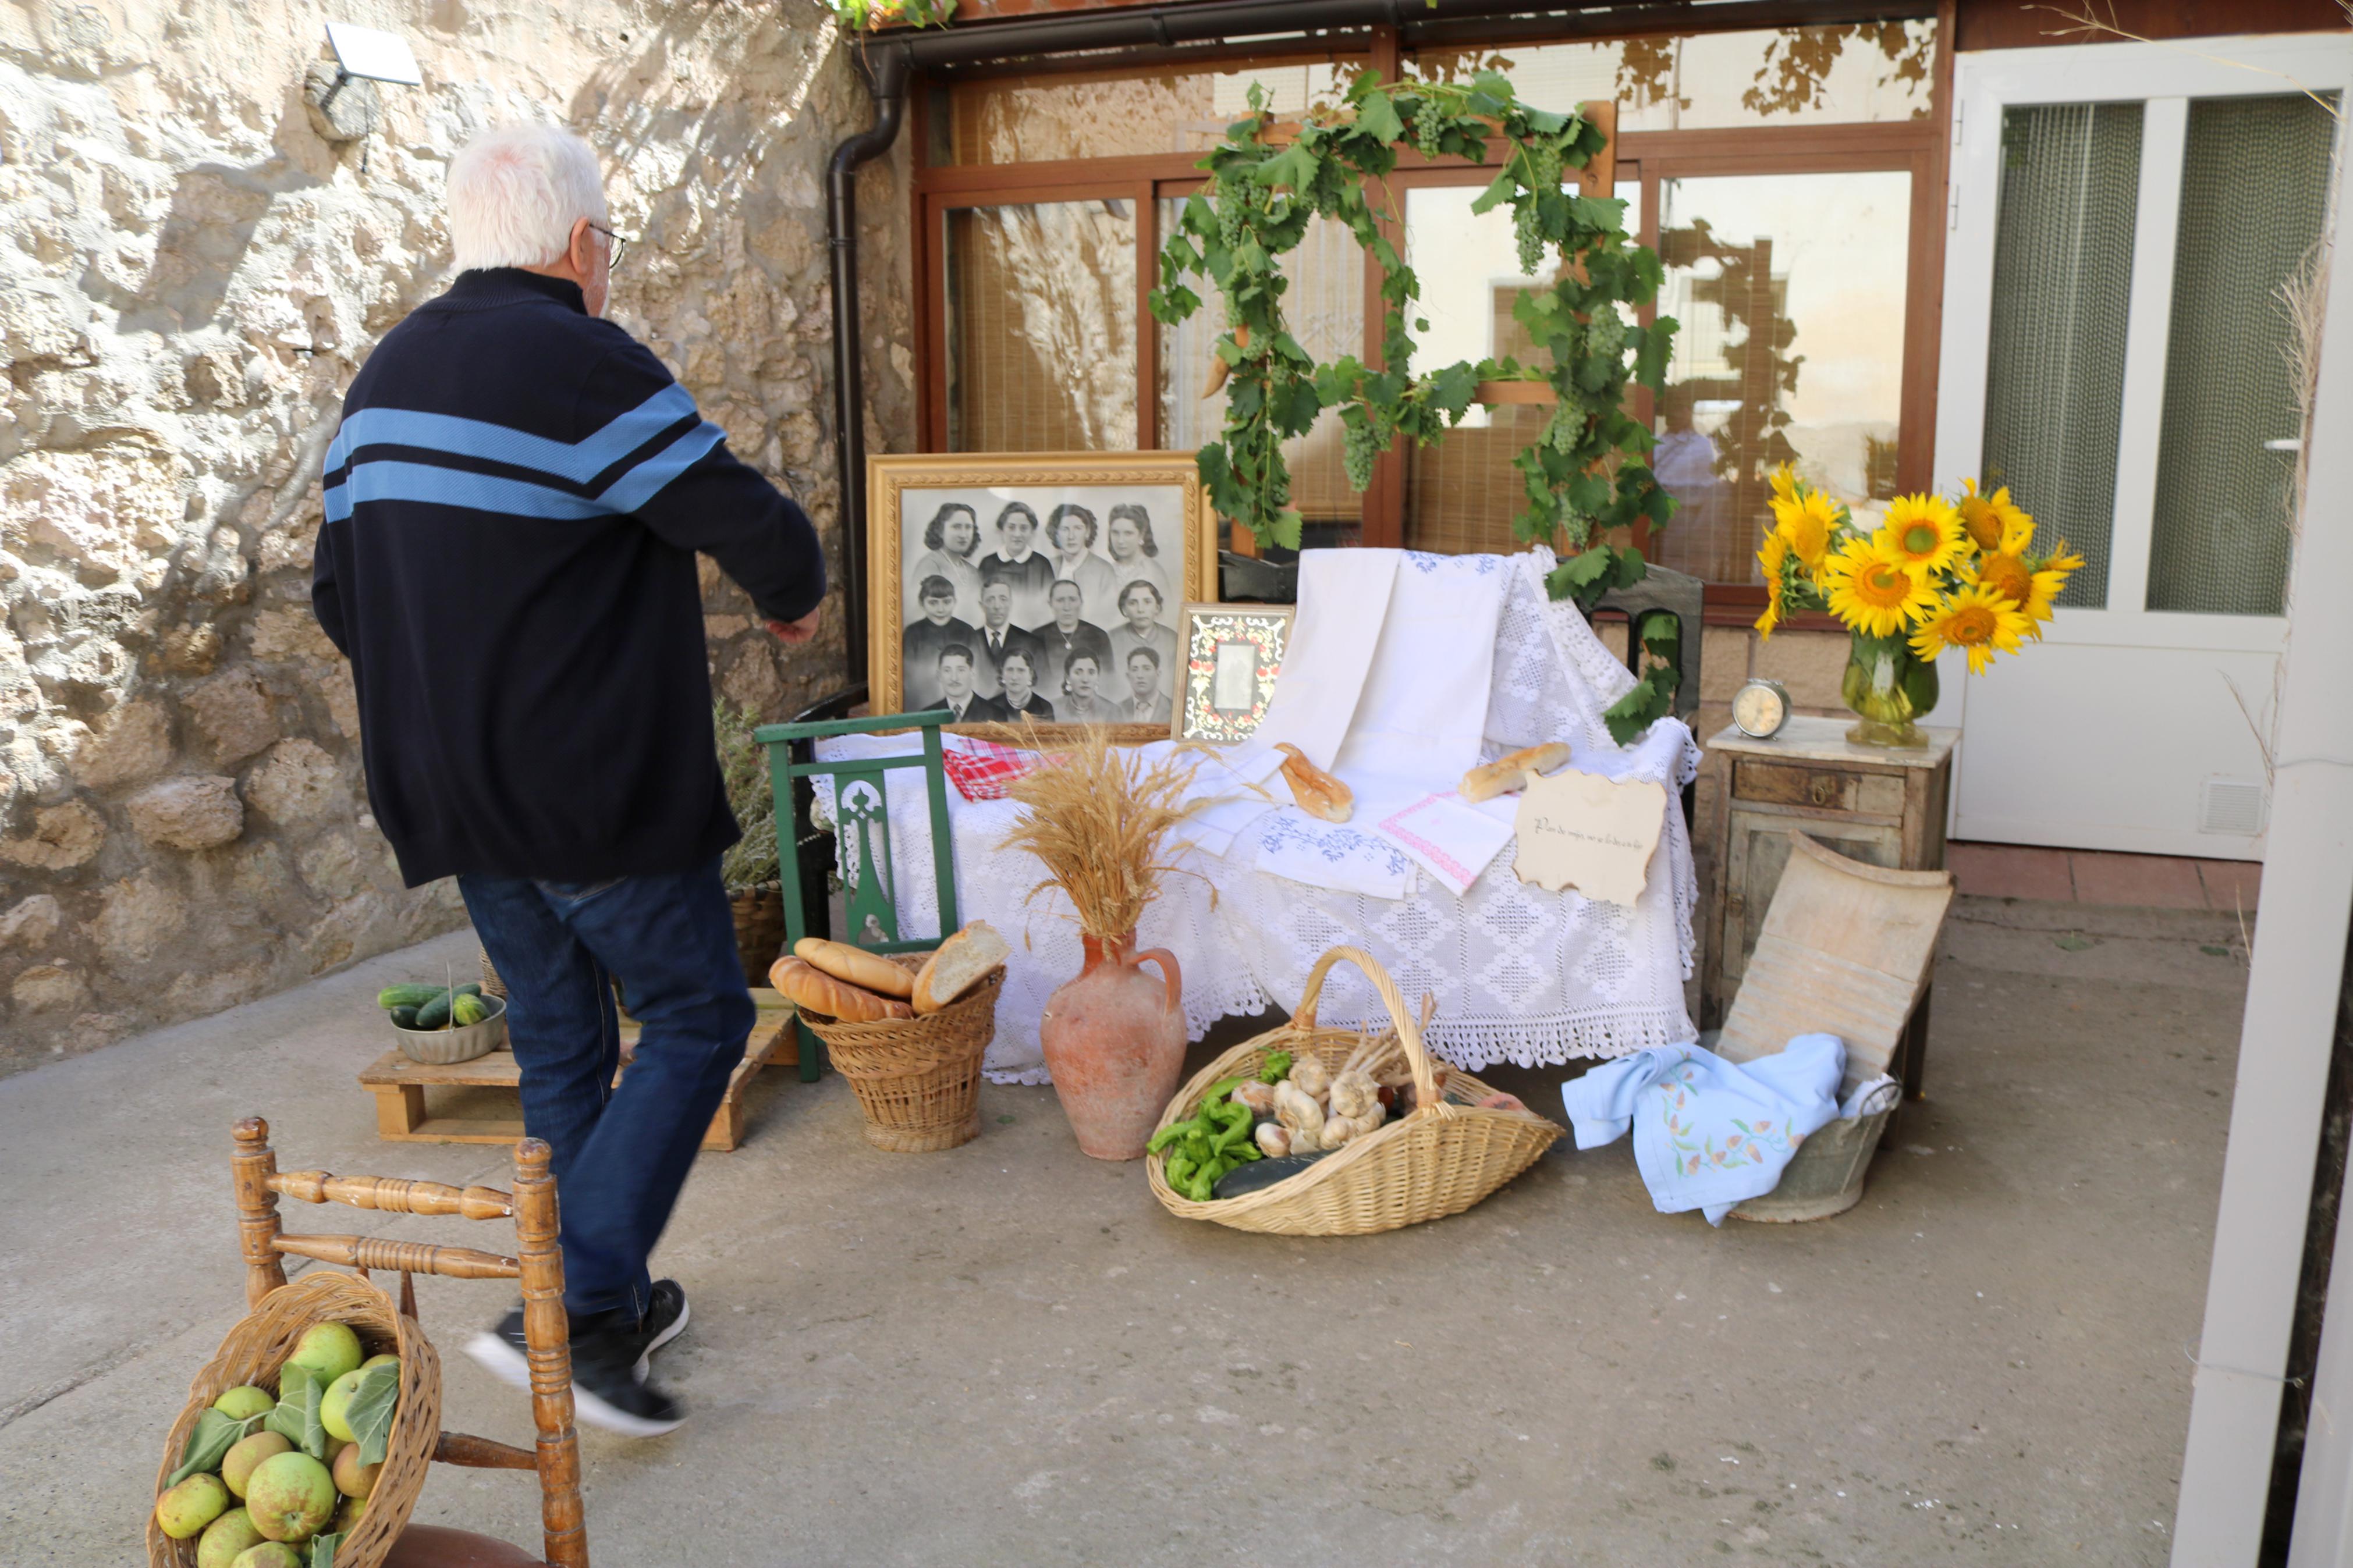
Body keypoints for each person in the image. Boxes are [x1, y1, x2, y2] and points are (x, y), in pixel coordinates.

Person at [311, 123, 824, 1438]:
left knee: (560, 1042)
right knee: (700, 1016)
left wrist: (451, 675)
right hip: (585, 787)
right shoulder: (580, 362)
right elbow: (732, 511)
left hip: (456, 794)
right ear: (581, 246)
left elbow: (336, 589)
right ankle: (579, 1301)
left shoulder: (384, 378)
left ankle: (585, 1302)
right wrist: (795, 592)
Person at [902, 575, 978, 710]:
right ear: (921, 603)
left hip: (961, 698)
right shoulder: (913, 633)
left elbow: (977, 670)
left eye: (947, 602)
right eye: (933, 603)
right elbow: (908, 675)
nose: (941, 609)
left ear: (955, 601)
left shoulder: (967, 631)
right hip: (922, 698)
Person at [978, 501, 1055, 628]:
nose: (1017, 534)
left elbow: (1049, 609)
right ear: (1002, 530)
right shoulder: (987, 564)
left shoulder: (1042, 565)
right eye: (1011, 527)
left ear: (1032, 532)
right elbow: (980, 605)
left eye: (1024, 528)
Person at [903, 502, 982, 624]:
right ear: (940, 531)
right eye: (956, 527)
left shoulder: (974, 572)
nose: (963, 535)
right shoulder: (929, 565)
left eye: (968, 527)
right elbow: (919, 614)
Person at [1034, 579, 1112, 696]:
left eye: (1073, 600)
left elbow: (1109, 680)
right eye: (1060, 600)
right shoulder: (1036, 637)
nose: (1067, 607)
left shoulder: (1099, 636)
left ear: (1081, 602)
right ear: (1050, 604)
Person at [968, 578, 1043, 701]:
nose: (997, 606)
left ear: (1011, 604)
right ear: (981, 606)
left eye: (1003, 599)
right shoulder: (968, 641)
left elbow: (1042, 688)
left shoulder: (1032, 643)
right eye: (990, 600)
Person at [1045, 502, 1119, 625]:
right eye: (1065, 529)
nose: (1071, 536)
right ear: (1056, 534)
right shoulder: (1047, 566)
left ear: (1088, 532)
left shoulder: (1104, 571)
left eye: (1078, 528)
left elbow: (1110, 618)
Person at [1105, 580, 1178, 696]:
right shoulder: (1110, 639)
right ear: (1124, 610)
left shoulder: (1173, 639)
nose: (1141, 610)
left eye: (1147, 602)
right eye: (1133, 603)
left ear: (1157, 608)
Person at [1103, 503, 1173, 610]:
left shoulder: (1153, 572)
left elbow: (1168, 614)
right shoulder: (1107, 570)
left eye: (1128, 533)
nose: (1121, 541)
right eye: (1115, 533)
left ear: (1142, 535)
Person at [992, 647, 1055, 723]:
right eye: (1010, 670)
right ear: (1002, 674)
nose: (1014, 677)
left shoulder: (1044, 707)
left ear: (1031, 674)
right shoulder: (991, 706)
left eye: (1021, 670)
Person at [934, 645, 989, 724]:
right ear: (939, 675)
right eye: (947, 671)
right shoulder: (927, 715)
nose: (954, 678)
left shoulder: (995, 714)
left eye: (961, 670)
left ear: (972, 674)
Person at [1119, 647, 1173, 726]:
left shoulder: (1174, 709)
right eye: (1134, 670)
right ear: (1128, 676)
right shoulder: (1117, 710)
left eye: (1147, 669)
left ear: (1158, 674)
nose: (1140, 675)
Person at [1055, 652, 1110, 724]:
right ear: (1068, 678)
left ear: (1098, 677)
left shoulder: (1111, 710)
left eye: (1091, 673)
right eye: (1078, 673)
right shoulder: (1053, 708)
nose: (1085, 680)